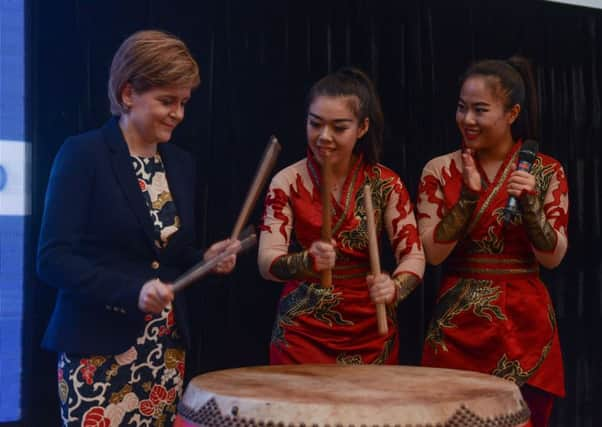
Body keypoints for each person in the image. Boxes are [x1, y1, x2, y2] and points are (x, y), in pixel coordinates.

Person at [37, 30, 239, 426]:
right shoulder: (83, 154)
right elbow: (52, 259)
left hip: (165, 352)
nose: (178, 114)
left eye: (183, 102)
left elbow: (171, 258)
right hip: (97, 354)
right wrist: (132, 291)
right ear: (128, 94)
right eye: (167, 101)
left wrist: (205, 260)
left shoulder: (180, 163)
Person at [417, 56, 568, 427]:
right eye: (461, 108)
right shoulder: (440, 169)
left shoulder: (546, 170)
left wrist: (531, 204)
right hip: (458, 324)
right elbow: (433, 254)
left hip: (524, 324)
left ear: (512, 113)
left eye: (480, 110)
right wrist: (467, 198)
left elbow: (553, 258)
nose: (467, 119)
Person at [258, 67, 425, 365]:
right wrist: (307, 262)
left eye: (339, 127)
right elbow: (266, 263)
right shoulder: (287, 181)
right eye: (315, 124)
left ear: (362, 128)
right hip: (302, 330)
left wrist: (394, 287)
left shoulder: (385, 183)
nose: (324, 137)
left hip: (370, 326)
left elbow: (414, 256)